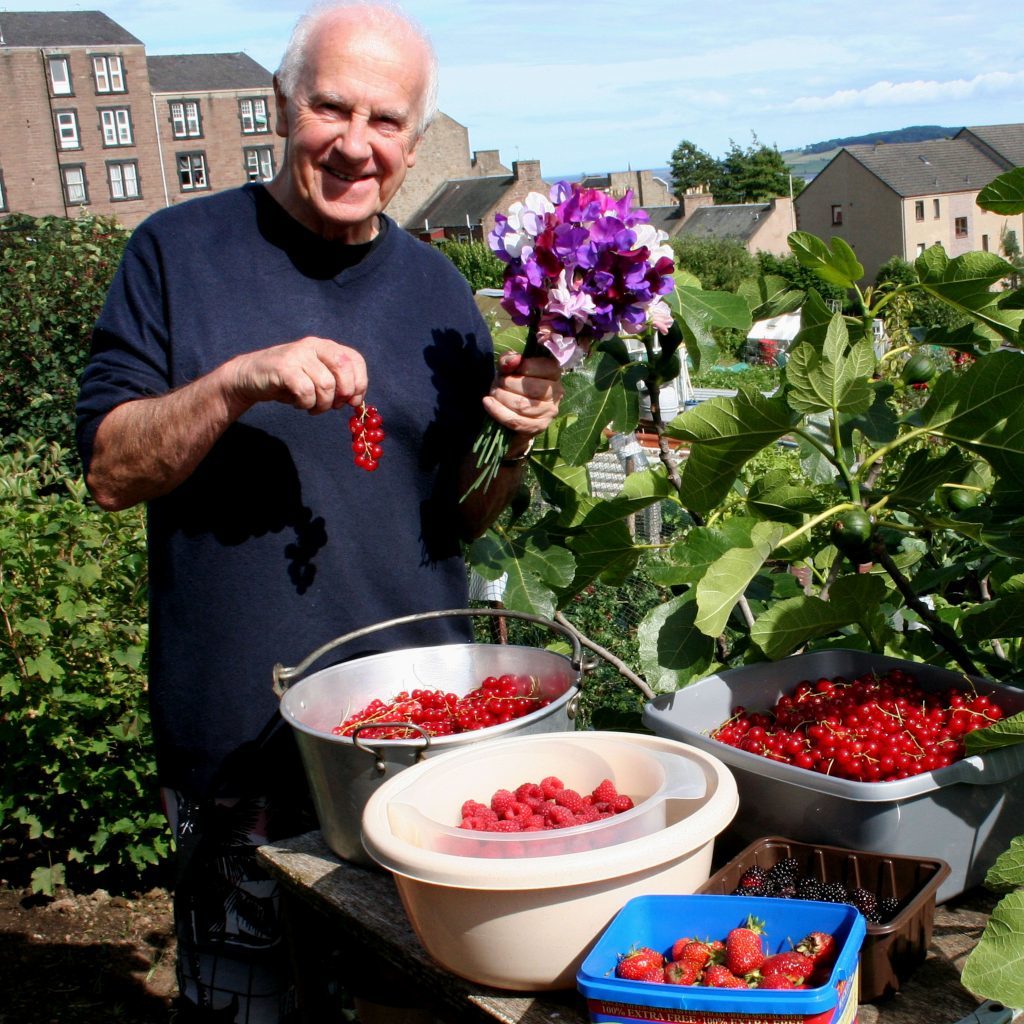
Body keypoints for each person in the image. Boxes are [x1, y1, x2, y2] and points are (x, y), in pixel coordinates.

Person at [75, 2, 563, 1020]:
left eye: (385, 122)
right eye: (330, 109)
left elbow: (461, 515)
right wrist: (234, 383)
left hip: (425, 742)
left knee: (413, 1007)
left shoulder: (437, 288)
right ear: (280, 105)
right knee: (252, 1006)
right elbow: (112, 471)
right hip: (244, 748)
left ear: (415, 141)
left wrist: (511, 436)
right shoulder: (175, 253)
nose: (355, 144)